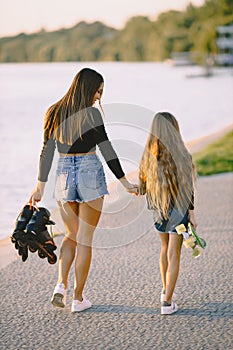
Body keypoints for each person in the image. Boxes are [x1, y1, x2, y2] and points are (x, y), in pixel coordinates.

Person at [29, 68, 137, 313]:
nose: (99, 97)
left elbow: (47, 153)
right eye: (98, 91)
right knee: (85, 240)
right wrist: (125, 182)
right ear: (88, 88)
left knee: (70, 235)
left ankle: (61, 285)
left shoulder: (53, 111)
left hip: (64, 173)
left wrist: (39, 186)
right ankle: (77, 299)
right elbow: (107, 150)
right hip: (89, 170)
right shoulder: (92, 115)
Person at [139, 112, 197, 315]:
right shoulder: (182, 154)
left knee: (164, 249)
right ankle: (167, 302)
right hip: (179, 209)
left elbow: (143, 187)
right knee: (174, 253)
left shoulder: (148, 156)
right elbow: (188, 188)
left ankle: (165, 291)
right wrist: (191, 213)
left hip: (158, 209)